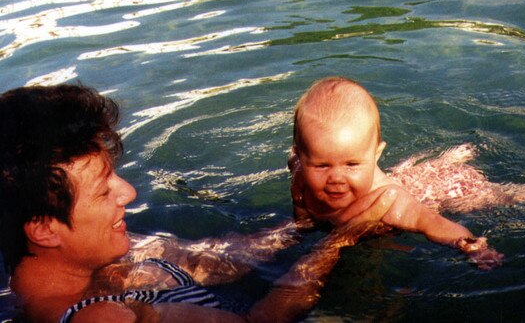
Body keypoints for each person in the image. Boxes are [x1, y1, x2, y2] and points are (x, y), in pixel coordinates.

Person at [0, 84, 394, 323]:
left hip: (267, 283)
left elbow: (220, 259)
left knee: (406, 186)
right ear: (44, 229)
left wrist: (304, 224)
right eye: (104, 191)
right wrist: (341, 238)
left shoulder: (94, 254)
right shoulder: (103, 317)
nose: (129, 193)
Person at [288, 77, 525, 270]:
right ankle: (449, 157)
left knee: (487, 197)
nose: (336, 177)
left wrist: (470, 246)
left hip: (433, 194)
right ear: (301, 155)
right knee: (416, 174)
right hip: (405, 179)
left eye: (351, 165)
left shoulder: (390, 202)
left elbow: (431, 222)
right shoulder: (300, 169)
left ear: (375, 156)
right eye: (322, 165)